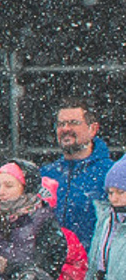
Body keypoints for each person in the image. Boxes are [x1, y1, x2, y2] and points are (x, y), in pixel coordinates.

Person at [44, 101, 117, 249]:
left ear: (93, 129)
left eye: (73, 123)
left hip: (95, 261)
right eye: (61, 124)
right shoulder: (46, 175)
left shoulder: (112, 174)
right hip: (51, 261)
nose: (66, 129)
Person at [81, 159, 126, 280]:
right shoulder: (106, 222)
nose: (114, 199)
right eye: (110, 192)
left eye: (121, 192)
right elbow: (92, 266)